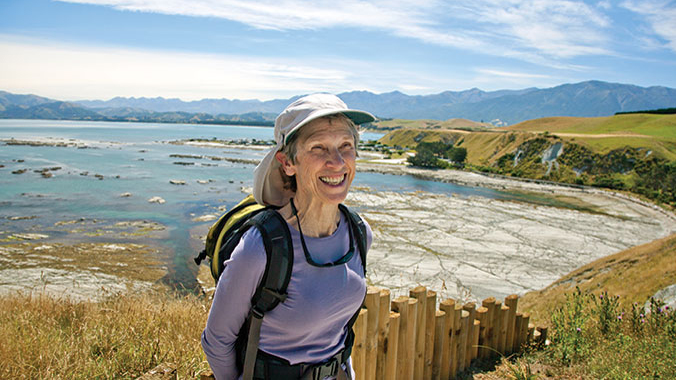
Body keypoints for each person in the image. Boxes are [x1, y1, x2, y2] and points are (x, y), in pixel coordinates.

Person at [201, 93, 376, 380]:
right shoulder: (260, 248)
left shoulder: (359, 233)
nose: (337, 162)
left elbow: (339, 333)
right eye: (318, 148)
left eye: (346, 145)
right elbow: (216, 341)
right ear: (287, 163)